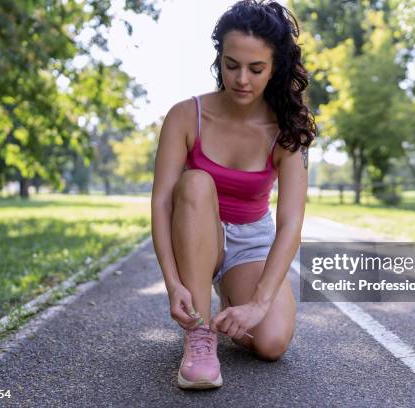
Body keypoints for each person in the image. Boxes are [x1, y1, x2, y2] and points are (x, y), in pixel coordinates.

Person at [151, 0, 316, 390]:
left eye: (256, 68)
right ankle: (200, 334)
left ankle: (229, 296)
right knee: (194, 182)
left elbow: (291, 221)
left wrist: (259, 302)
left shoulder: (287, 130)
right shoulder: (184, 116)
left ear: (274, 68)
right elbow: (161, 202)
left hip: (248, 240)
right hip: (192, 230)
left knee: (272, 342)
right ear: (219, 59)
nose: (242, 78)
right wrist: (173, 282)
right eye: (231, 65)